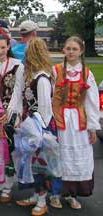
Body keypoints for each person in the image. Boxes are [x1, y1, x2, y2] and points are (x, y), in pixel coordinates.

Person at [51, 36, 100, 210]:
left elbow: (92, 102)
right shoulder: (55, 70)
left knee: (76, 158)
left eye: (74, 49)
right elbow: (48, 97)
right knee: (58, 156)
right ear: (63, 50)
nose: (71, 52)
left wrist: (92, 127)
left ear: (81, 51)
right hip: (59, 120)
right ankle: (55, 193)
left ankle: (72, 194)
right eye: (68, 48)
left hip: (79, 123)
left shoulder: (87, 73)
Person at [15, 38, 56, 216]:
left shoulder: (41, 79)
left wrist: (42, 132)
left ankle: (42, 200)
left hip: (41, 126)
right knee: (30, 161)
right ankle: (35, 195)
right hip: (31, 124)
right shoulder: (32, 75)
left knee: (41, 163)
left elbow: (45, 108)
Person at [0, 34, 24, 203]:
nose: (0, 51)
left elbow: (18, 91)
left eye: (3, 47)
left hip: (10, 112)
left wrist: (10, 113)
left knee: (9, 149)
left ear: (8, 47)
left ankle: (8, 185)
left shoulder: (17, 66)